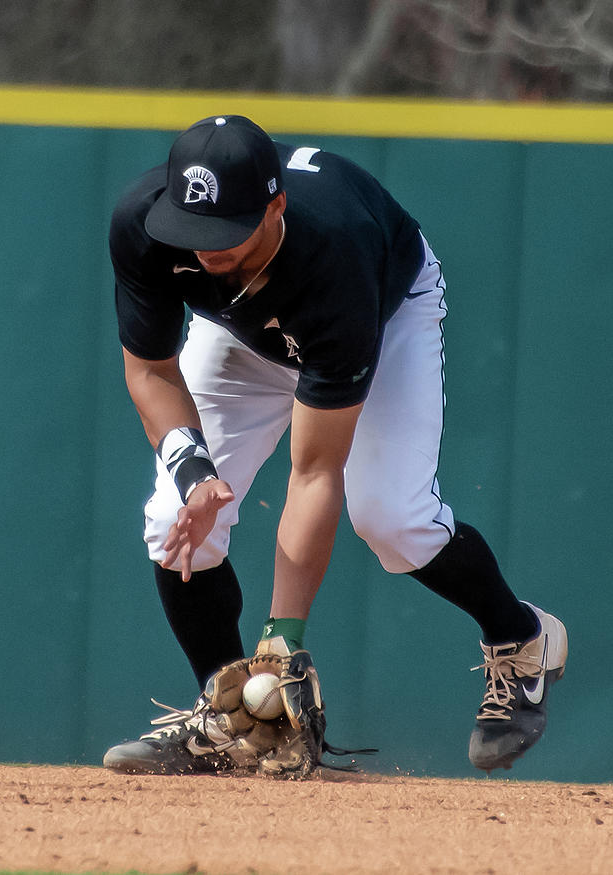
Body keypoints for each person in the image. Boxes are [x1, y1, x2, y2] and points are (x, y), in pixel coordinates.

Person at [102, 114, 567, 777]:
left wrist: (282, 636)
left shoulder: (336, 255)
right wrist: (193, 468)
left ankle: (523, 636)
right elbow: (149, 370)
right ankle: (235, 721)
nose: (208, 250)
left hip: (378, 310)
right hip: (241, 331)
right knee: (171, 522)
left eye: (228, 233)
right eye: (194, 232)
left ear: (276, 207)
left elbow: (316, 468)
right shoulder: (142, 223)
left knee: (391, 517)